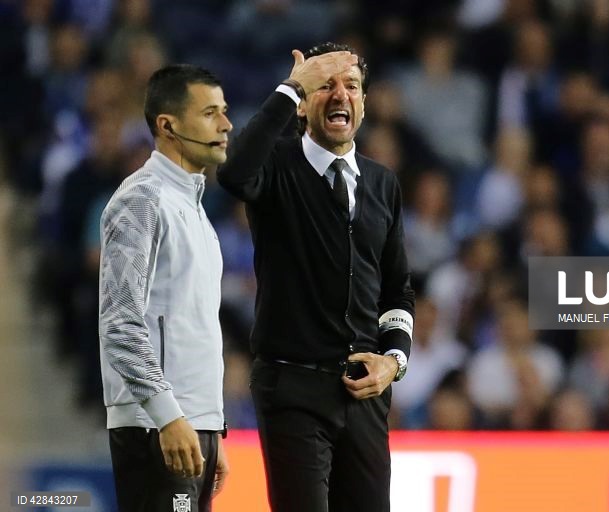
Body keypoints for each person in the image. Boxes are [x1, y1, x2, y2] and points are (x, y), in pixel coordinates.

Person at [217, 42, 415, 512]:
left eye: (351, 86)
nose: (339, 95)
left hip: (365, 394)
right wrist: (289, 87)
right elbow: (233, 172)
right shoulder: (275, 165)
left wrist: (394, 361)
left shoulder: (383, 183)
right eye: (324, 85)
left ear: (364, 104)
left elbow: (397, 290)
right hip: (292, 386)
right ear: (303, 105)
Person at [98, 64, 232, 512]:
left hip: (192, 425)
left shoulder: (195, 211)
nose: (226, 125)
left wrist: (212, 426)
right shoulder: (142, 199)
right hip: (155, 426)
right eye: (210, 112)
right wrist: (168, 415)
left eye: (225, 112)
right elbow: (120, 322)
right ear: (168, 125)